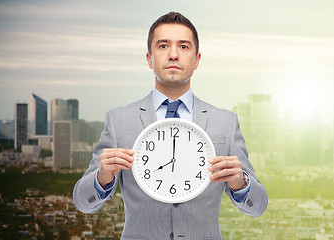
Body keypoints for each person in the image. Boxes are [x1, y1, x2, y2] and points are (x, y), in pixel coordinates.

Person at [73, 12, 268, 240]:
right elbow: (82, 202)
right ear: (149, 59)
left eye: (184, 47)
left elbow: (258, 206)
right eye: (163, 46)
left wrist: (240, 182)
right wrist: (102, 178)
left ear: (196, 60)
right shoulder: (119, 120)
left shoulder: (225, 122)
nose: (174, 55)